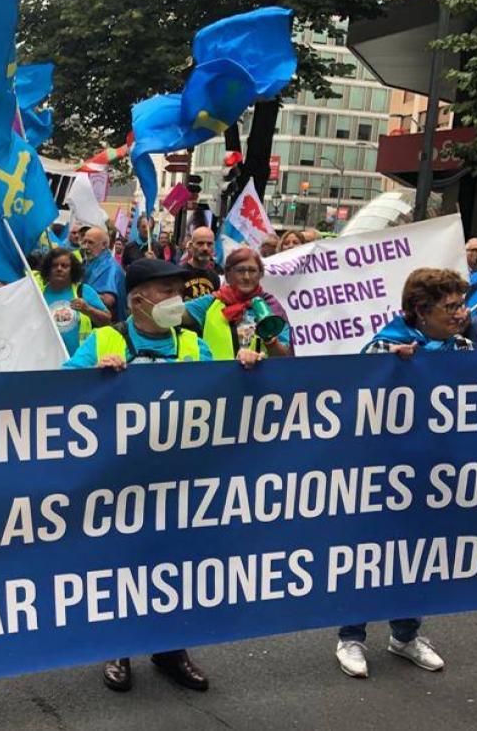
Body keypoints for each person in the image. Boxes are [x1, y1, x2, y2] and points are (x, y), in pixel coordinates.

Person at [63, 259, 212, 693]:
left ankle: (170, 649)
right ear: (138, 300)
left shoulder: (191, 344)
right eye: (167, 291)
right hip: (118, 480)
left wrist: (247, 364)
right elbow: (58, 394)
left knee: (174, 566)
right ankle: (117, 646)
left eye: (177, 291)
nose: (176, 301)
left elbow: (223, 399)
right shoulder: (106, 339)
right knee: (121, 565)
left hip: (176, 481)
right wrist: (94, 378)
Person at [335, 268, 477, 679]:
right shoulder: (384, 346)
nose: (460, 313)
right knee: (370, 555)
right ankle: (352, 636)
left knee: (418, 556)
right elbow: (354, 403)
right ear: (420, 310)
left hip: (435, 474)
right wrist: (391, 371)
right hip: (382, 474)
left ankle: (405, 634)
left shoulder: (463, 346)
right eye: (450, 306)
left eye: (460, 304)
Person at [184, 247, 291, 363]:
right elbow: (172, 316)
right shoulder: (211, 302)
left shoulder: (271, 306)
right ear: (228, 275)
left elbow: (284, 357)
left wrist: (270, 340)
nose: (246, 277)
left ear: (260, 274)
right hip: (217, 378)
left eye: (252, 271)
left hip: (260, 379)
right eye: (240, 270)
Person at [36, 247, 111, 355]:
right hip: (47, 362)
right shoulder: (39, 293)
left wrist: (88, 309)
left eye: (64, 266)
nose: (59, 268)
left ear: (73, 270)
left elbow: (107, 321)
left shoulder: (83, 291)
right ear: (48, 269)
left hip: (80, 362)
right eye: (54, 265)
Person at [81, 226, 127, 321]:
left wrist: (81, 294)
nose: (85, 246)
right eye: (84, 242)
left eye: (90, 242)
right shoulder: (90, 261)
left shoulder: (110, 267)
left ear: (104, 245)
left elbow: (108, 300)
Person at [179, 226, 222, 301]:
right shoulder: (179, 274)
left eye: (209, 244)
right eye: (200, 243)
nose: (205, 248)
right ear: (191, 246)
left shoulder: (215, 278)